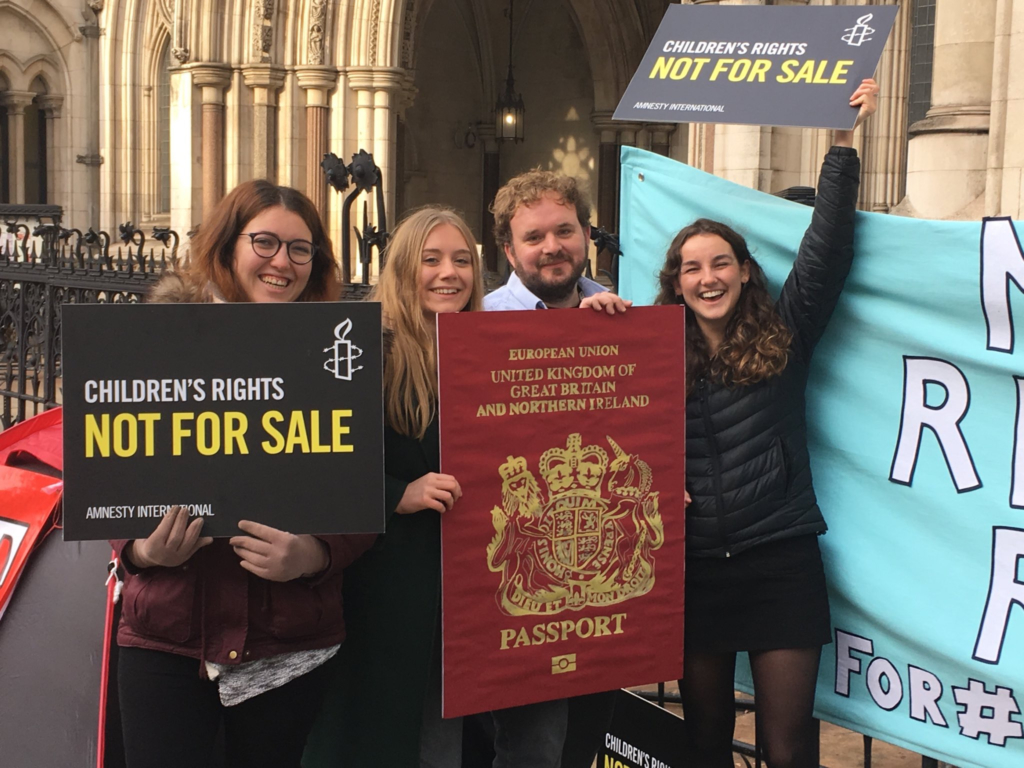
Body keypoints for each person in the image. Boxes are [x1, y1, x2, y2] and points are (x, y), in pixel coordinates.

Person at [654, 79, 879, 768]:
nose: (708, 276)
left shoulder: (786, 331)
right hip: (692, 571)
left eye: (721, 262)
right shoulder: (649, 355)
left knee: (788, 751)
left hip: (781, 561)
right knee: (703, 744)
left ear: (747, 273)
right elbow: (602, 430)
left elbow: (829, 247)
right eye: (692, 268)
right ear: (676, 282)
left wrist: (842, 144)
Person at [110, 180, 373, 768]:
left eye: (300, 249)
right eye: (265, 242)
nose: (282, 261)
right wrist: (144, 552)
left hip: (289, 643)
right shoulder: (157, 345)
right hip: (169, 636)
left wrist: (313, 554)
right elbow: (109, 474)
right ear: (229, 245)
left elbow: (361, 494)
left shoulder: (339, 358)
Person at [304, 206, 485, 768]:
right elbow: (317, 460)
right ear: (404, 268)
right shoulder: (362, 348)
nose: (448, 273)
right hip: (386, 578)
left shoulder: (491, 345)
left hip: (471, 582)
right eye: (430, 260)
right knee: (382, 731)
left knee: (451, 732)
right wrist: (395, 494)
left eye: (461, 260)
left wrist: (601, 313)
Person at [475, 169, 627, 768]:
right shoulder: (478, 322)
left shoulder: (622, 319)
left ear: (586, 234)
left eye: (564, 230)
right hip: (520, 588)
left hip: (598, 592)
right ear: (509, 251)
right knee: (529, 749)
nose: (551, 246)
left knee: (584, 740)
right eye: (533, 237)